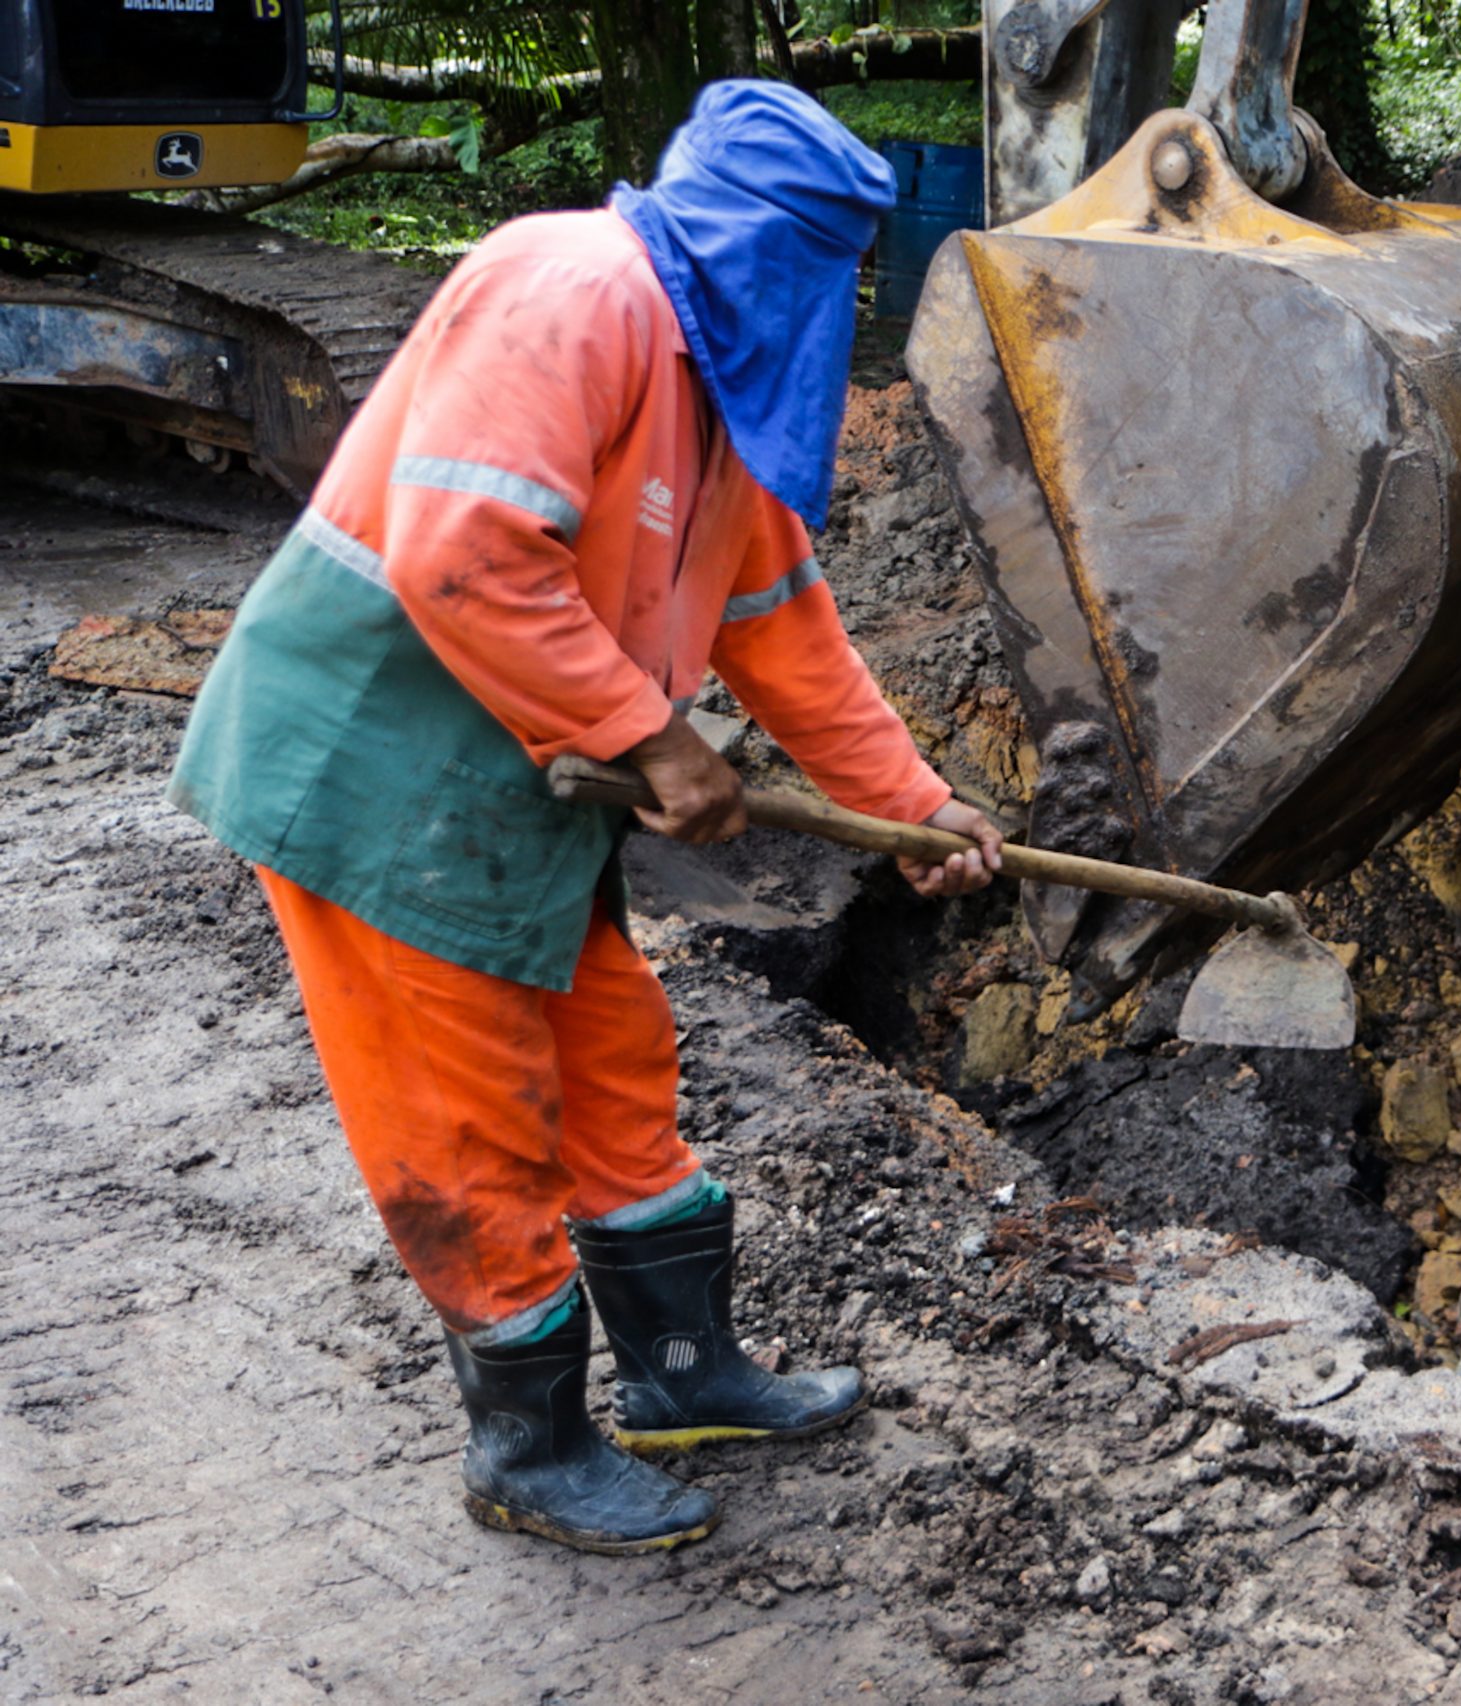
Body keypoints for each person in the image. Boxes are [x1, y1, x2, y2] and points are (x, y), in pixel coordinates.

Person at [168, 83, 1005, 1554]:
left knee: (614, 1057)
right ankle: (529, 1449)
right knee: (468, 1106)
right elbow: (466, 554)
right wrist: (656, 741)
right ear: (752, 235)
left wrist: (915, 806)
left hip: (524, 770)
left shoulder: (723, 379)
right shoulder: (575, 290)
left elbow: (783, 626)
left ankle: (689, 1376)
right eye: (824, 259)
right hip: (382, 760)